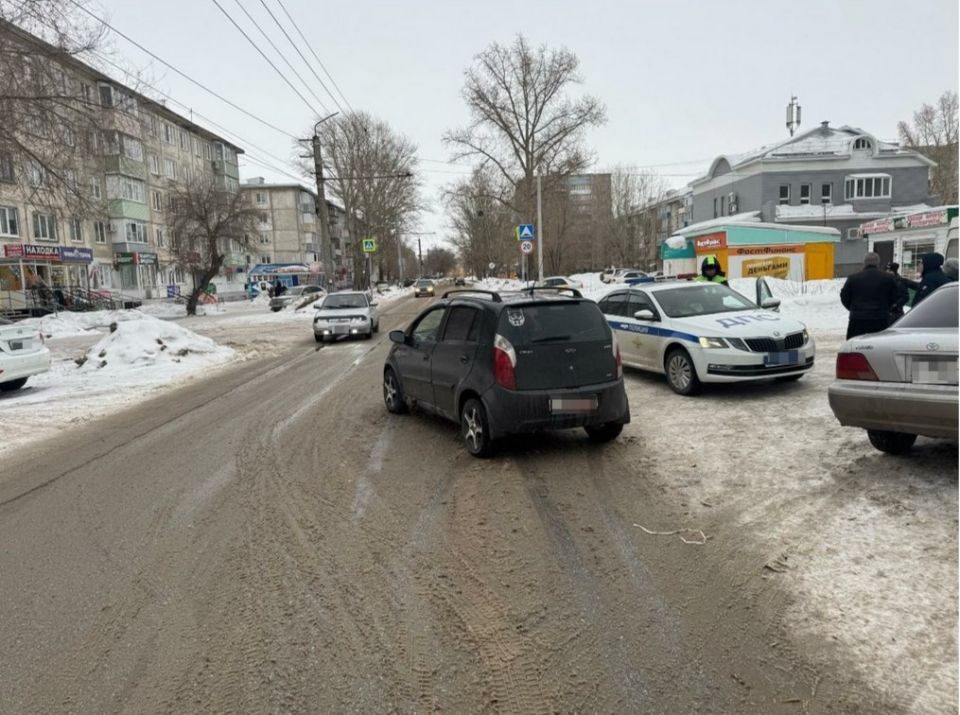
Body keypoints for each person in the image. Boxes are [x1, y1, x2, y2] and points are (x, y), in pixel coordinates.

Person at [840, 252, 899, 339]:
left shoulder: (853, 278)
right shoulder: (888, 278)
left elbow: (844, 296)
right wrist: (886, 307)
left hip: (858, 319)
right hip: (881, 318)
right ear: (878, 263)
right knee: (879, 346)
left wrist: (853, 308)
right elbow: (895, 296)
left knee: (856, 347)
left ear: (864, 263)